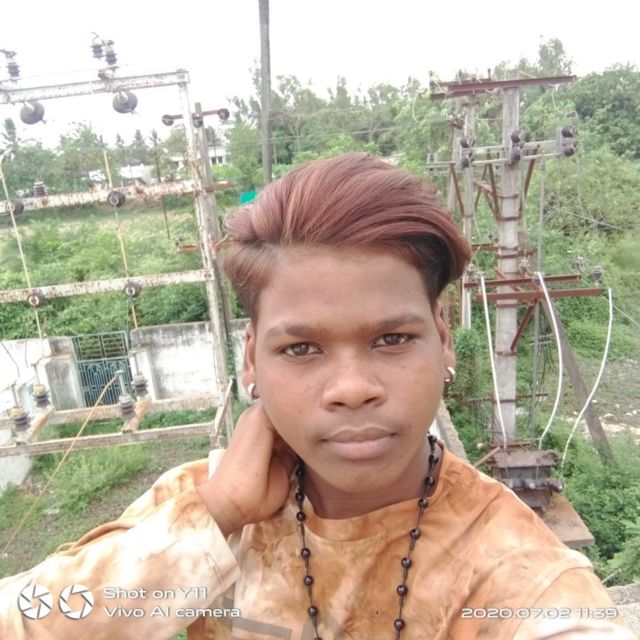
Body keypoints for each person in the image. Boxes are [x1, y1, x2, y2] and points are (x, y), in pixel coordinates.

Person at [0, 153, 634, 640]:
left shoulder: (517, 574)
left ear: (443, 341)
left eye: (392, 338)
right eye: (301, 348)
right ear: (251, 358)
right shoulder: (202, 504)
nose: (352, 388)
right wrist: (214, 518)